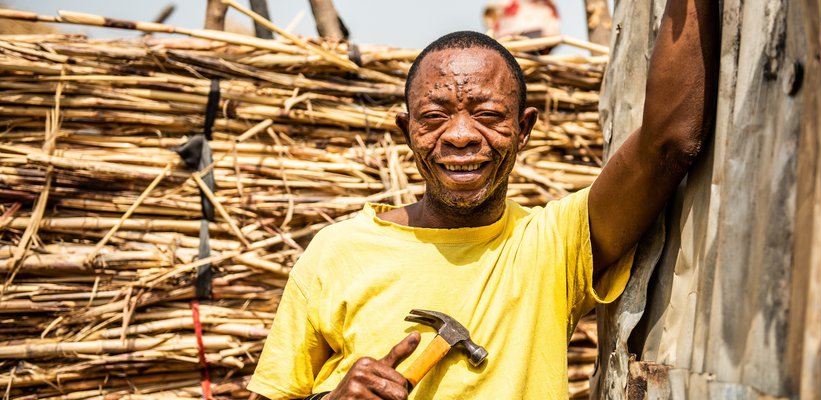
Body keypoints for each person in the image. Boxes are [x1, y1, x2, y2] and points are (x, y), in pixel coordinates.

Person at [248, 0, 719, 397]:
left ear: (524, 129)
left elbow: (669, 144)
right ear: (406, 132)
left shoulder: (554, 246)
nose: (459, 136)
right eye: (434, 117)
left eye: (488, 114)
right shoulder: (337, 253)